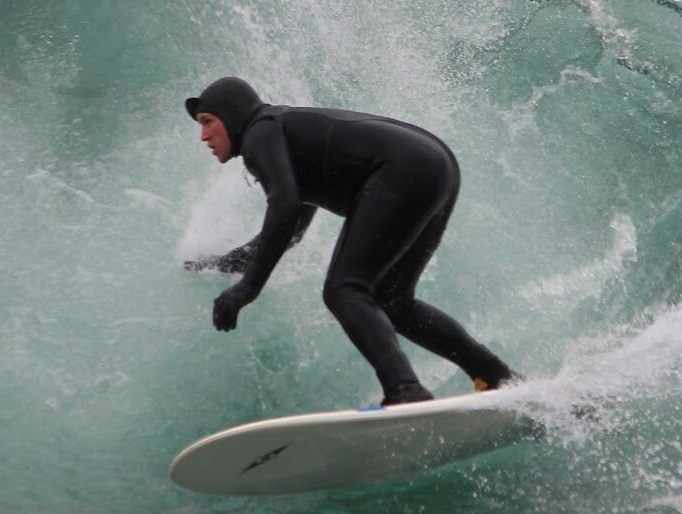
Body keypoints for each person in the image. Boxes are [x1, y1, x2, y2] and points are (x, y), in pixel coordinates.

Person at [183, 76, 518, 405]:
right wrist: (227, 263)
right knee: (393, 302)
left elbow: (282, 206)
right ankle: (497, 378)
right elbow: (292, 226)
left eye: (208, 121)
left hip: (403, 167)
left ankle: (405, 390)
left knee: (344, 288)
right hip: (434, 165)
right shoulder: (287, 137)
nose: (203, 135)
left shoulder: (260, 131)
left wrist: (248, 288)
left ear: (233, 115)